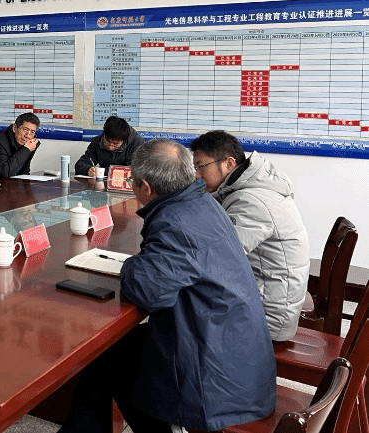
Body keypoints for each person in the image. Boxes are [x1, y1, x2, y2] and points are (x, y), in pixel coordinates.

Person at [58, 139, 275, 433]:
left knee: (113, 358)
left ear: (145, 187)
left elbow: (147, 292)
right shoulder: (201, 203)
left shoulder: (176, 223)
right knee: (108, 351)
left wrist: (132, 263)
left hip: (216, 373)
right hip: (230, 344)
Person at [190, 130, 309, 341]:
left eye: (201, 166)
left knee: (181, 307)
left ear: (228, 163)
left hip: (267, 318)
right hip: (263, 297)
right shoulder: (244, 188)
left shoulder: (251, 201)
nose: (197, 175)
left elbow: (219, 257)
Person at [74, 115, 145, 176]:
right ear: (104, 134)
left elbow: (133, 170)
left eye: (115, 144)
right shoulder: (97, 141)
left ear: (124, 140)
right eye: (107, 141)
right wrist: (88, 170)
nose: (110, 147)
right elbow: (80, 164)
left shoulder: (137, 143)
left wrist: (102, 171)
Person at [0, 113, 40, 179]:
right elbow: (5, 172)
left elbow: (25, 171)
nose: (27, 135)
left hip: (11, 183)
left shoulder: (30, 144)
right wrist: (26, 150)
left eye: (32, 132)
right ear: (14, 128)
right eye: (25, 129)